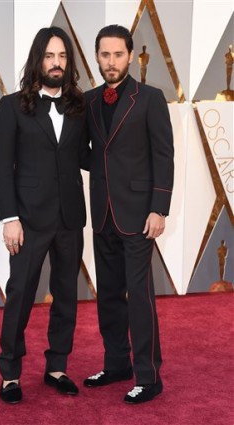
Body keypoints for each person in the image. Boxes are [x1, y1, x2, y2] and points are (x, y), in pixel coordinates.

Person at [0, 26, 90, 404]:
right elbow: (4, 167)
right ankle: (10, 373)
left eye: (63, 56)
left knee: (67, 294)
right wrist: (9, 218)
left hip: (70, 216)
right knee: (20, 294)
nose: (56, 63)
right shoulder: (12, 105)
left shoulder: (80, 106)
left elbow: (84, 156)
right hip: (29, 219)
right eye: (50, 56)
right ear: (38, 60)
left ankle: (57, 366)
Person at [83, 25, 174, 404]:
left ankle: (149, 376)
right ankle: (117, 362)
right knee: (108, 295)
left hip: (139, 214)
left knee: (139, 295)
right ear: (97, 57)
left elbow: (164, 155)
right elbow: (87, 152)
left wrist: (159, 208)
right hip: (102, 211)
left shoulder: (150, 98)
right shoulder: (87, 101)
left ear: (131, 56)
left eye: (118, 54)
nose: (111, 61)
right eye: (104, 55)